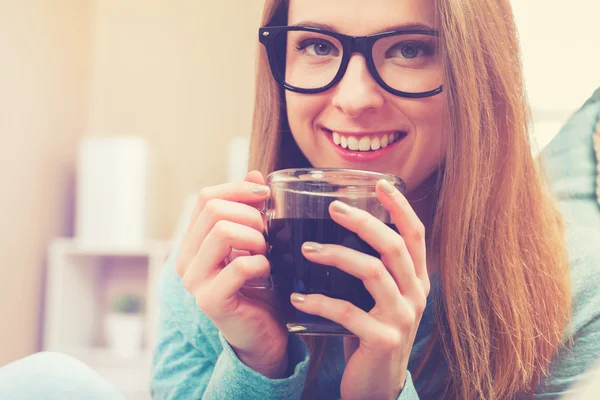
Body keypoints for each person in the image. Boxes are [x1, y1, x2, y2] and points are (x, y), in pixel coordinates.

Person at [150, 0, 600, 399]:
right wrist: (256, 365)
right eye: (318, 46)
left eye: (409, 49)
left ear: (478, 71)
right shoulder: (214, 272)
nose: (355, 98)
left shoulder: (579, 295)